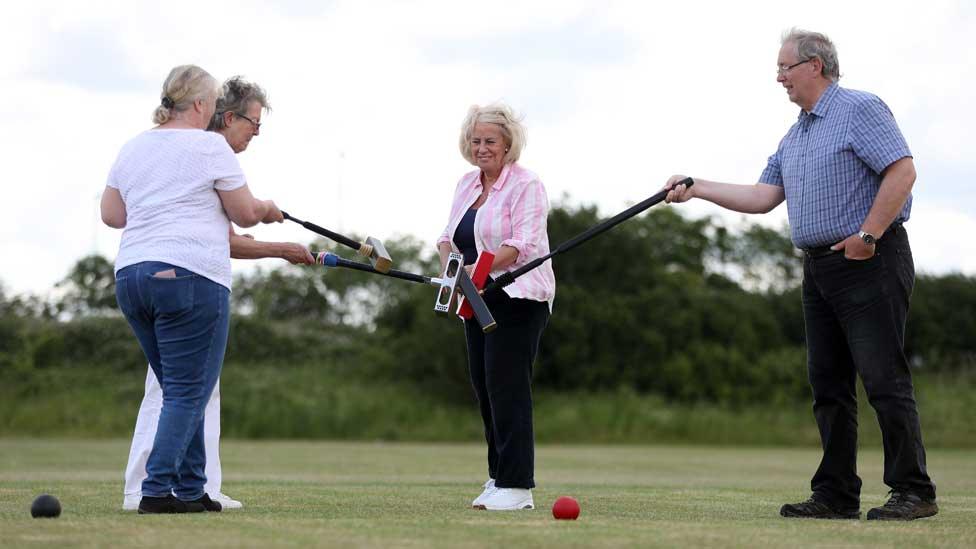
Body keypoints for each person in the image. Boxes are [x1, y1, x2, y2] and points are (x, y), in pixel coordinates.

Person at [663, 29, 937, 521]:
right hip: (819, 269)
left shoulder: (860, 109)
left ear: (815, 65)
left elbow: (903, 171)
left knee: (882, 379)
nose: (779, 78)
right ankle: (835, 494)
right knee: (828, 386)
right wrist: (696, 186)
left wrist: (868, 235)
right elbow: (763, 197)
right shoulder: (797, 133)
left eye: (784, 68)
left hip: (869, 259)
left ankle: (913, 491)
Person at [120, 77, 315, 511]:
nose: (257, 132)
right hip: (188, 282)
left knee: (189, 390)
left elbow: (118, 216)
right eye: (254, 122)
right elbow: (241, 220)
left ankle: (195, 489)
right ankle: (151, 491)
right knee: (184, 392)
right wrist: (271, 226)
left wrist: (277, 247)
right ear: (223, 114)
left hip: (134, 275)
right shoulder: (210, 150)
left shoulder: (148, 147)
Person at [437, 103, 555, 511]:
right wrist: (451, 277)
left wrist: (477, 270)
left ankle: (517, 485)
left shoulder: (527, 184)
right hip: (474, 297)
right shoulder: (466, 184)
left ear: (507, 145)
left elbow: (523, 244)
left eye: (490, 141)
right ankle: (497, 477)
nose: (482, 148)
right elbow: (446, 238)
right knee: (485, 387)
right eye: (476, 141)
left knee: (507, 387)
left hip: (518, 296)